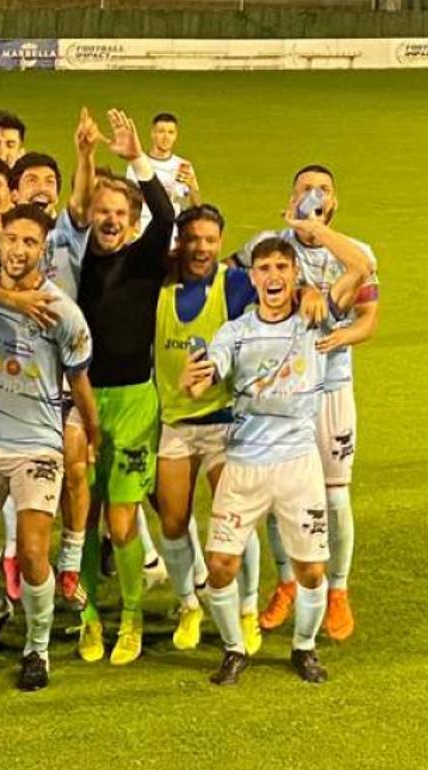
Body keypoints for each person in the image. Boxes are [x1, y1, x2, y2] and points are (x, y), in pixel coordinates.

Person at [180, 228, 369, 685]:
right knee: (221, 565)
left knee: (310, 568)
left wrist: (316, 232)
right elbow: (209, 371)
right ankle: (233, 649)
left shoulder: (316, 316)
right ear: (253, 276)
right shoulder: (236, 332)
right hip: (244, 462)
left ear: (295, 273)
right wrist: (198, 378)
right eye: (264, 268)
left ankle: (304, 649)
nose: (273, 275)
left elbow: (360, 267)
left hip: (298, 463)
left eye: (283, 267)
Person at [0, 204, 100, 690]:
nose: (19, 251)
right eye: (12, 239)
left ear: (45, 250)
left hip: (37, 445)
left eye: (30, 243)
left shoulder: (62, 311)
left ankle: (36, 648)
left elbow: (80, 381)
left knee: (33, 553)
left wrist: (92, 432)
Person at [247, 165, 379, 642]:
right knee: (279, 495)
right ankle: (286, 583)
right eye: (305, 188)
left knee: (335, 492)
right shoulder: (269, 248)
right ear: (290, 197)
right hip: (280, 388)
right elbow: (236, 283)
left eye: (323, 189)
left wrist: (344, 334)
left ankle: (337, 591)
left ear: (334, 200)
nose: (314, 194)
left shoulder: (357, 251)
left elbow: (366, 307)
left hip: (332, 387)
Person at [69, 109, 175, 666]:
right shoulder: (77, 259)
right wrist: (85, 158)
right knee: (82, 519)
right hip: (81, 402)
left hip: (134, 401)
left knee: (122, 519)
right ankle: (89, 619)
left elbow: (166, 213)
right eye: (102, 211)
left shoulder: (145, 256)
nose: (109, 219)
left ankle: (130, 616)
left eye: (118, 212)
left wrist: (137, 158)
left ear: (130, 221)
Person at [154, 204, 264, 654]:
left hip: (223, 423)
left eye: (210, 240)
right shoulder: (159, 286)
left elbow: (281, 286)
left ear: (221, 242)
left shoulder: (234, 284)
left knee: (235, 522)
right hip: (176, 423)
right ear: (180, 241)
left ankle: (248, 608)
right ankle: (188, 605)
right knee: (174, 521)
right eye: (193, 239)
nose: (202, 247)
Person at [126, 112, 201, 234]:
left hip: (174, 231)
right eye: (161, 131)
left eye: (170, 132)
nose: (166, 137)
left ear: (176, 135)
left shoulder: (183, 166)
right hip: (145, 228)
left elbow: (197, 207)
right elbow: (131, 200)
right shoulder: (139, 164)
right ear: (153, 134)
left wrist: (192, 187)